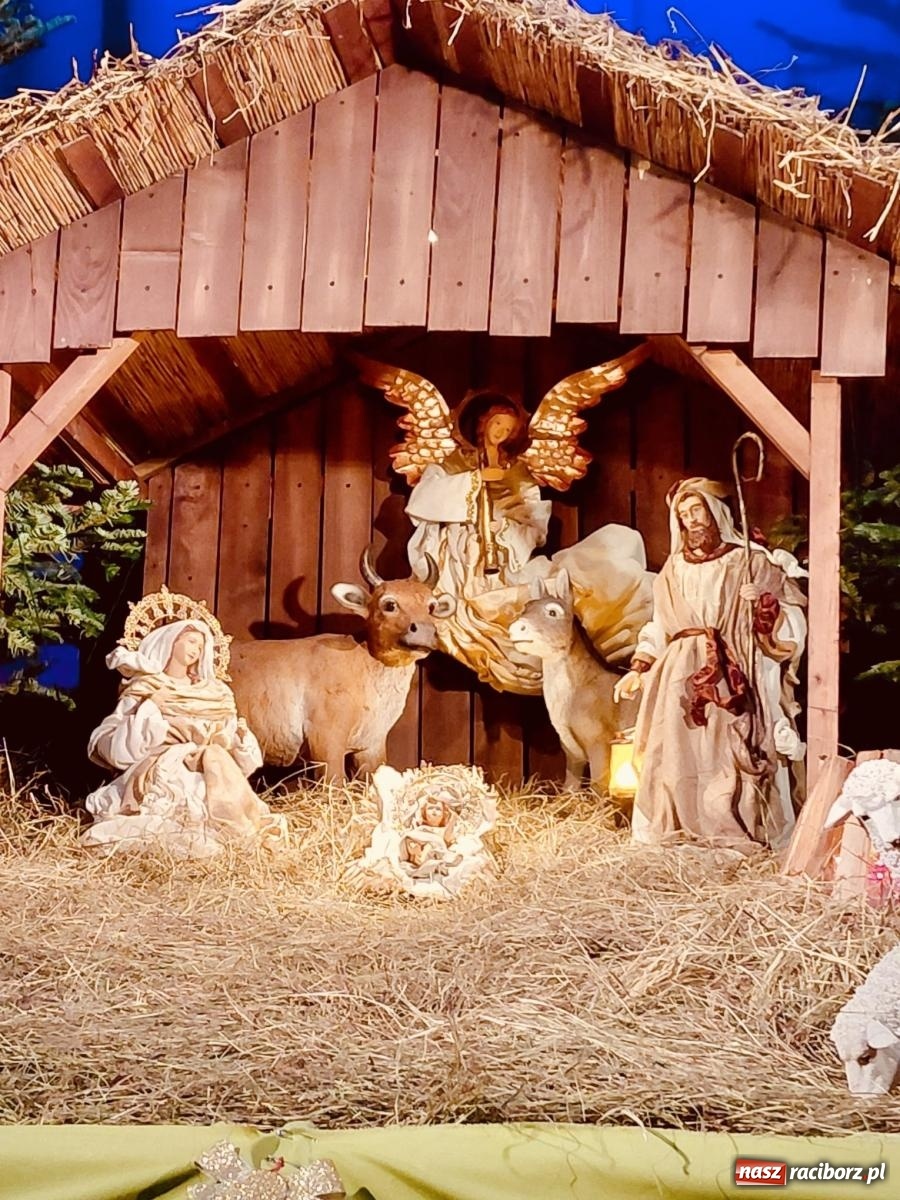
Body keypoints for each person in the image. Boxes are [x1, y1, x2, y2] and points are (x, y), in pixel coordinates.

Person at [405, 392, 653, 693]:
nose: (501, 432)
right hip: (460, 561)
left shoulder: (518, 473)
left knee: (612, 549)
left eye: (508, 429)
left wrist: (504, 530)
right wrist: (473, 482)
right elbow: (422, 502)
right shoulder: (449, 465)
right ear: (482, 422)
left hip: (508, 558)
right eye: (497, 424)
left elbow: (534, 525)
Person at [614, 478, 807, 850]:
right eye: (683, 515)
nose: (691, 521)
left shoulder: (748, 560)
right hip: (680, 674)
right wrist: (639, 668)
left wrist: (764, 603)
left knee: (732, 748)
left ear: (715, 511)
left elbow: (791, 618)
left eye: (696, 510)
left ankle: (737, 825)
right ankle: (680, 828)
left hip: (734, 670)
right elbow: (659, 625)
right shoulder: (673, 570)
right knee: (676, 751)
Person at [84, 618, 287, 858]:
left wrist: (240, 740)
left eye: (200, 646)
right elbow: (113, 746)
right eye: (191, 641)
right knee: (185, 809)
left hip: (212, 765)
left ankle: (232, 841)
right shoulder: (148, 686)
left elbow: (229, 739)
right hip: (165, 766)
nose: (195, 650)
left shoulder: (215, 693)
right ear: (171, 641)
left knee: (224, 801)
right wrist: (149, 710)